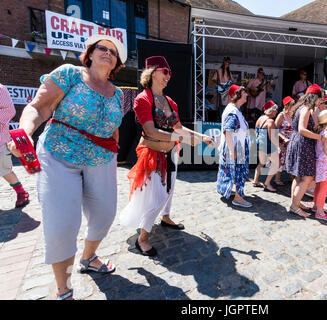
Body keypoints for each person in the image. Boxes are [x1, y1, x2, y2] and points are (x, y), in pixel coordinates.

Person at [8, 34, 127, 300]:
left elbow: (114, 129)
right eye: (102, 48)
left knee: (105, 215)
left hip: (101, 159)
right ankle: (64, 289)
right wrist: (25, 132)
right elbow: (38, 107)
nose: (107, 52)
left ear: (117, 62)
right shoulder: (69, 75)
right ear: (90, 53)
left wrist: (116, 156)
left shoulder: (117, 94)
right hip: (59, 155)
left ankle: (88, 257)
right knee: (63, 223)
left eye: (113, 51)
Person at [120, 56, 214, 256]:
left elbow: (178, 127)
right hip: (153, 154)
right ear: (153, 72)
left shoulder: (169, 101)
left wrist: (200, 136)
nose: (168, 77)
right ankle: (142, 239)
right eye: (166, 72)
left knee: (169, 190)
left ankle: (166, 217)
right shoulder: (142, 99)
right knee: (158, 195)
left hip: (170, 153)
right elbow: (151, 130)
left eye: (169, 73)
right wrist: (181, 138)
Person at [285, 84, 327, 217]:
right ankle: (294, 206)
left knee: (298, 177)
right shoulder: (305, 109)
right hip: (303, 145)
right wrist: (320, 137)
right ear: (314, 97)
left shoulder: (301, 108)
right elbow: (302, 129)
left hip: (298, 143)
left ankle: (295, 203)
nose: (320, 101)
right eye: (319, 98)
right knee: (306, 177)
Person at [217, 85, 252, 208]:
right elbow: (228, 131)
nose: (246, 95)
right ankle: (238, 198)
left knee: (231, 172)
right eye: (244, 92)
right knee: (239, 172)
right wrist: (233, 151)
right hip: (237, 148)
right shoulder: (233, 111)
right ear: (237, 95)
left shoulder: (234, 110)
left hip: (237, 147)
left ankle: (230, 191)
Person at [0, 84, 29, 208]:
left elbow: (9, 110)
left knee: (4, 169)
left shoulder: (0, 89)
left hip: (0, 140)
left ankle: (22, 192)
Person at [253, 100, 280, 192]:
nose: (276, 111)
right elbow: (272, 137)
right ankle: (267, 183)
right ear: (271, 111)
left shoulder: (260, 118)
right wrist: (280, 146)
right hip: (268, 145)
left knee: (261, 163)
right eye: (275, 110)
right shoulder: (271, 121)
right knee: (276, 164)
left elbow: (256, 132)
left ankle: (255, 181)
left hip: (259, 143)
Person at [274, 96, 296, 185]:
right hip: (281, 140)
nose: (295, 106)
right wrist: (283, 138)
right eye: (293, 104)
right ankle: (277, 178)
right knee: (280, 157)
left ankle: (291, 177)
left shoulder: (293, 115)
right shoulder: (281, 115)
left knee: (291, 158)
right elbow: (275, 129)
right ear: (288, 105)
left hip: (291, 140)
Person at [212, 56, 235, 121]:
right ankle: (220, 118)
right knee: (221, 105)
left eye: (229, 63)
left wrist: (231, 83)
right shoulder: (219, 70)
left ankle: (225, 118)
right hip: (221, 90)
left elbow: (232, 81)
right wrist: (220, 85)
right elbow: (213, 79)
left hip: (227, 91)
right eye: (227, 62)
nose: (228, 64)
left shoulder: (228, 72)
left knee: (227, 104)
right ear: (224, 62)